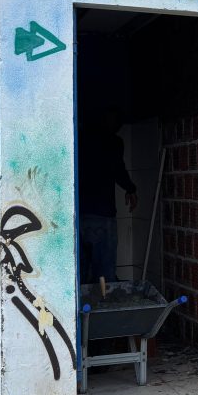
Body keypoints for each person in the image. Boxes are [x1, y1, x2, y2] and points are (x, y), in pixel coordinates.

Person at [78, 106, 138, 283]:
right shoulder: (113, 142)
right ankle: (102, 300)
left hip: (78, 215)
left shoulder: (80, 138)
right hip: (102, 215)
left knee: (80, 274)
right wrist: (131, 189)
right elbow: (117, 169)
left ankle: (83, 301)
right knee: (104, 275)